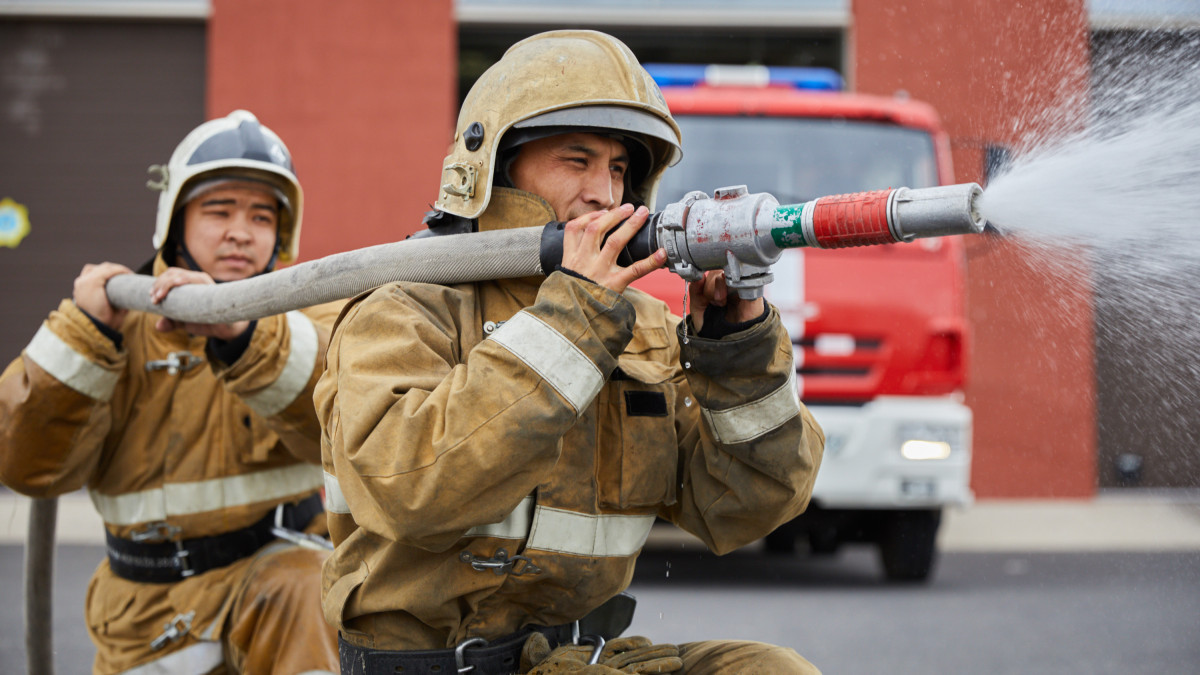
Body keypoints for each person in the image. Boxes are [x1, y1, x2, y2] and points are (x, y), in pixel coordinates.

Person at [315, 31, 825, 675]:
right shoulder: (403, 309)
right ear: (493, 168)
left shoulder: (638, 324)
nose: (605, 195)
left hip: (575, 661)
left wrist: (734, 351)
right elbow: (413, 490)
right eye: (576, 161)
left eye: (618, 169)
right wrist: (573, 319)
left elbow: (745, 507)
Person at [0, 110, 341, 674]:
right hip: (145, 619)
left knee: (302, 587)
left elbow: (347, 426)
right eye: (219, 210)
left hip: (277, 597)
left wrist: (245, 335)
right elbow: (25, 468)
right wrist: (84, 336)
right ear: (174, 221)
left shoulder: (306, 318)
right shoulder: (110, 328)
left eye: (261, 215)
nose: (240, 231)